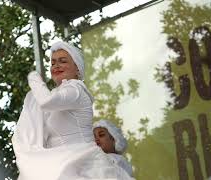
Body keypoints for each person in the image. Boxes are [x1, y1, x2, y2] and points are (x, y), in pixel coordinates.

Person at [12, 41, 134, 180]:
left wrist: (34, 79)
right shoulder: (57, 95)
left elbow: (47, 101)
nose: (56, 66)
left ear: (77, 69)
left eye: (62, 61)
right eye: (53, 63)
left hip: (85, 167)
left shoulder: (76, 88)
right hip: (64, 164)